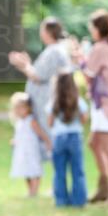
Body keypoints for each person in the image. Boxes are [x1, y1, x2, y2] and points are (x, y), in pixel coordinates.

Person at [73, 8, 108, 205]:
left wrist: (79, 57)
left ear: (99, 28)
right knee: (95, 144)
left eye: (92, 27)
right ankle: (104, 187)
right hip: (104, 103)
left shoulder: (100, 48)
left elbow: (88, 72)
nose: (91, 31)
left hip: (106, 105)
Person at [8, 17, 71, 150]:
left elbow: (38, 76)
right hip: (45, 102)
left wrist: (23, 65)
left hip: (45, 102)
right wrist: (26, 65)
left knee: (48, 141)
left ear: (48, 32)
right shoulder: (54, 50)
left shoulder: (54, 51)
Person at [46, 73, 88, 208]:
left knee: (59, 171)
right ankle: (78, 200)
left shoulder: (54, 102)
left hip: (59, 138)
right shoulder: (78, 101)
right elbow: (84, 119)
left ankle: (61, 200)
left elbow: (50, 122)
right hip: (75, 137)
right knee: (78, 171)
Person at [9, 92, 49, 197]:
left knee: (34, 169)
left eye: (21, 108)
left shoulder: (31, 121)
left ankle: (34, 191)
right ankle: (30, 190)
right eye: (16, 108)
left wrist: (48, 142)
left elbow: (41, 133)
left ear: (28, 108)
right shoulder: (19, 122)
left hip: (31, 150)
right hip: (22, 151)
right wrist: (14, 141)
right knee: (26, 170)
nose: (18, 111)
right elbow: (19, 135)